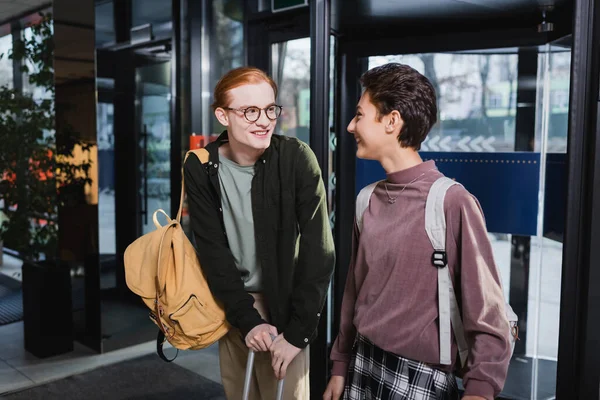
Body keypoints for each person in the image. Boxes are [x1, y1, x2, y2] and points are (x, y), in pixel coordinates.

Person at [323, 63, 511, 400]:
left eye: (360, 115)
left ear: (392, 121)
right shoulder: (366, 199)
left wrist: (480, 390)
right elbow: (354, 291)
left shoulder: (452, 202)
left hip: (420, 378)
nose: (351, 126)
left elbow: (487, 312)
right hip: (362, 363)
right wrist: (339, 364)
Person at [184, 66, 335, 400]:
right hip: (234, 306)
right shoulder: (200, 165)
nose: (264, 120)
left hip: (289, 306)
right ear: (222, 115)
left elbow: (319, 252)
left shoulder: (296, 158)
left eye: (270, 109)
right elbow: (212, 249)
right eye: (250, 111)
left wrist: (298, 333)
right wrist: (246, 319)